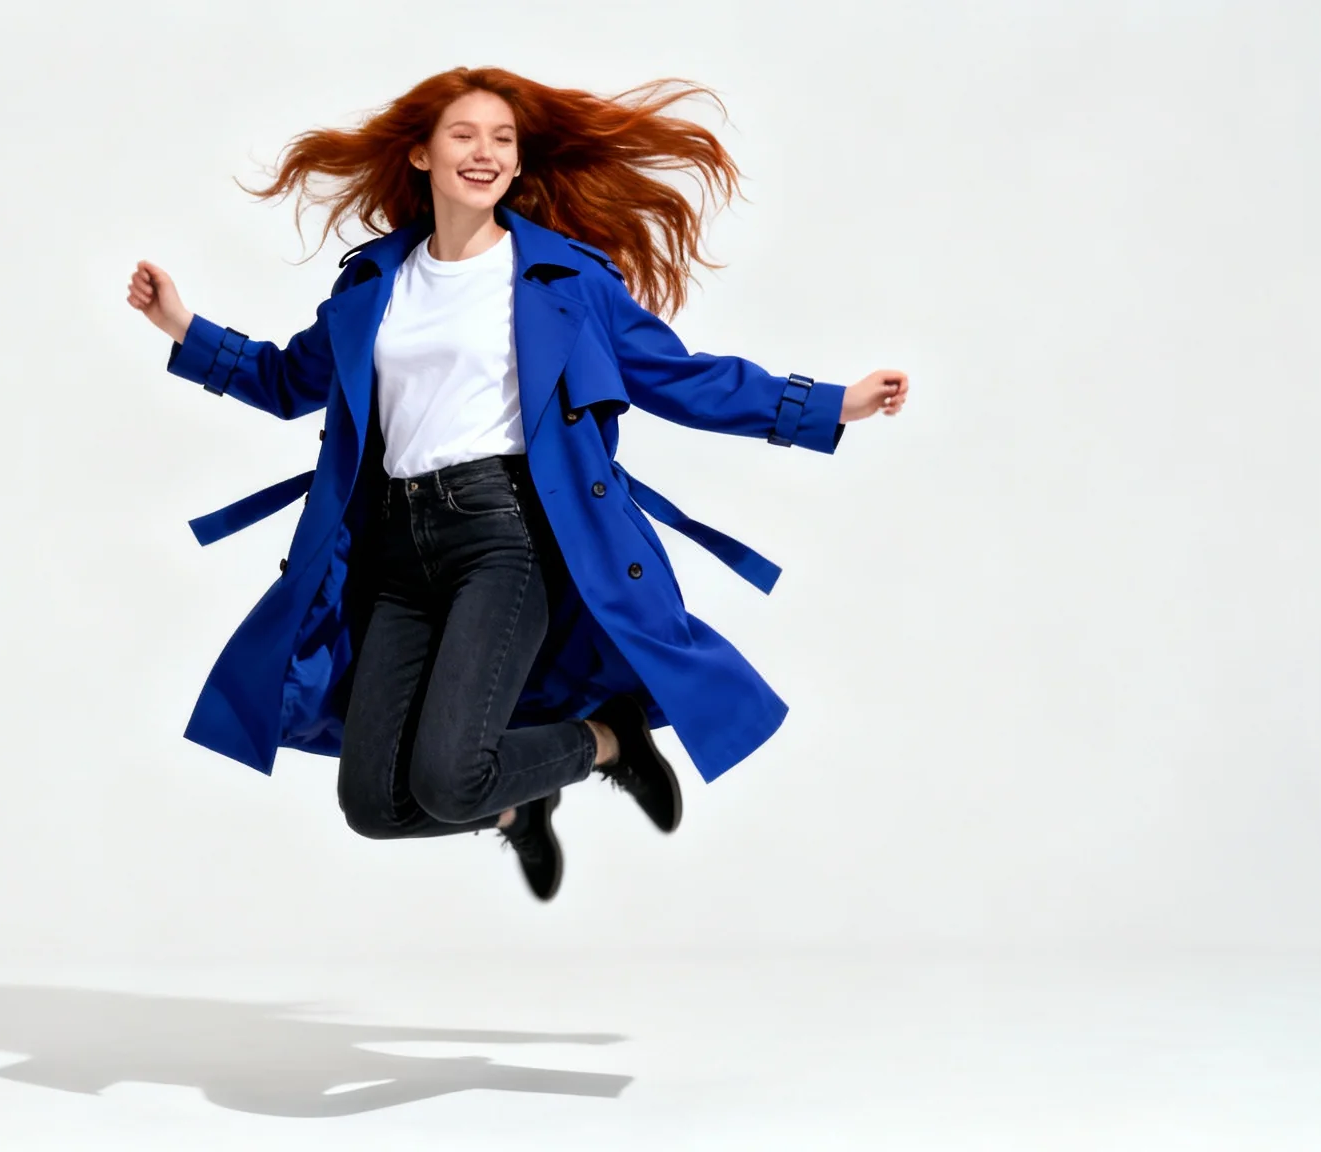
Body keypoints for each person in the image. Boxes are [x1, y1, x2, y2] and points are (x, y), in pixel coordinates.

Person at [127, 67, 909, 902]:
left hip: (507, 540)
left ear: (518, 164)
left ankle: (609, 741)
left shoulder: (566, 280)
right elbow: (287, 381)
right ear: (422, 155)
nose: (485, 152)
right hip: (395, 552)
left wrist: (829, 406)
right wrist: (180, 325)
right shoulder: (374, 283)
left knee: (449, 776)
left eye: (502, 139)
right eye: (464, 134)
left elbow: (683, 378)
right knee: (373, 804)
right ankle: (516, 807)